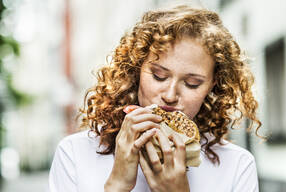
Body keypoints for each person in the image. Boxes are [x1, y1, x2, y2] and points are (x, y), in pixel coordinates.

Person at [49, 4, 261, 192]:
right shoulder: (75, 154)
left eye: (192, 83)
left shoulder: (237, 166)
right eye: (159, 76)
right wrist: (117, 185)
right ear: (137, 69)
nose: (170, 95)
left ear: (212, 85)